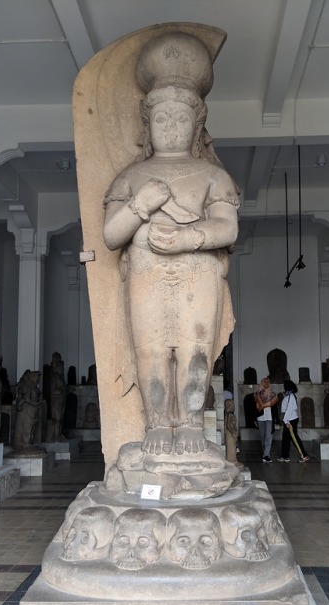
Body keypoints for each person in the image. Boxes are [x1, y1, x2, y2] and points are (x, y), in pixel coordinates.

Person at [103, 31, 239, 458]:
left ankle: (193, 426)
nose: (171, 127)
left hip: (198, 272)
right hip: (145, 272)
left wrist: (187, 237)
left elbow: (227, 227)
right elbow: (111, 235)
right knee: (153, 350)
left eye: (180, 119)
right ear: (147, 123)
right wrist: (140, 206)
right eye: (161, 119)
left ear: (197, 124)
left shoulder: (212, 175)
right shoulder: (129, 177)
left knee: (196, 350)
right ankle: (159, 424)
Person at [278, 379, 309, 462]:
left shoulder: (291, 397)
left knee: (294, 438)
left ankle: (304, 455)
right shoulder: (289, 396)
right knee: (285, 438)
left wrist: (286, 421)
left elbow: (289, 410)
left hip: (290, 420)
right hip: (289, 419)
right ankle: (285, 456)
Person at [254, 377, 278, 463]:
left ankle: (266, 455)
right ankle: (265, 452)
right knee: (262, 436)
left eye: (268, 382)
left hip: (270, 418)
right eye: (264, 382)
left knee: (268, 436)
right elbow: (255, 408)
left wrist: (277, 420)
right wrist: (254, 419)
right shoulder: (257, 394)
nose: (266, 383)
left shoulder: (273, 395)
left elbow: (275, 409)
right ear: (262, 383)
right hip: (260, 417)